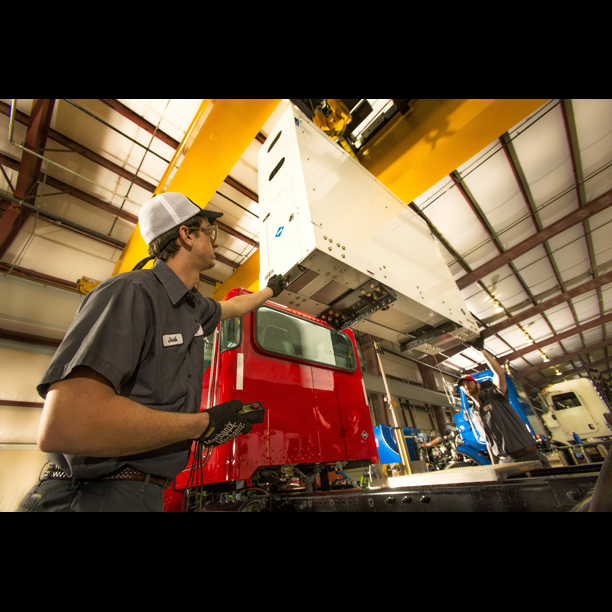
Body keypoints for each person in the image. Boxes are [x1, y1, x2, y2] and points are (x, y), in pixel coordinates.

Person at [17, 192, 287, 512]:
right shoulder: (131, 292)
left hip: (140, 494)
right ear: (186, 235)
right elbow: (67, 424)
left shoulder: (191, 308)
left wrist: (272, 289)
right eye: (208, 231)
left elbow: (233, 306)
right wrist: (204, 424)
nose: (216, 242)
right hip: (94, 496)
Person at [457, 338, 551, 469]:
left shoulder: (495, 396)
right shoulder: (473, 412)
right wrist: (494, 466)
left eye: (469, 383)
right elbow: (489, 441)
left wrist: (481, 350)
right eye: (463, 386)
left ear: (477, 385)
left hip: (528, 458)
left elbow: (500, 374)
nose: (466, 386)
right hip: (504, 463)